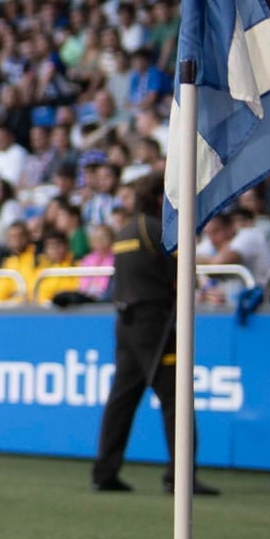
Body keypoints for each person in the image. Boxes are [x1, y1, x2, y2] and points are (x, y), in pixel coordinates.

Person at [92, 174, 216, 495]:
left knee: (122, 399)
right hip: (154, 323)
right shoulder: (161, 229)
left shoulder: (126, 231)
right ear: (161, 198)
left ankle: (104, 471)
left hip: (126, 322)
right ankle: (180, 476)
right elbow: (181, 278)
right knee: (176, 399)